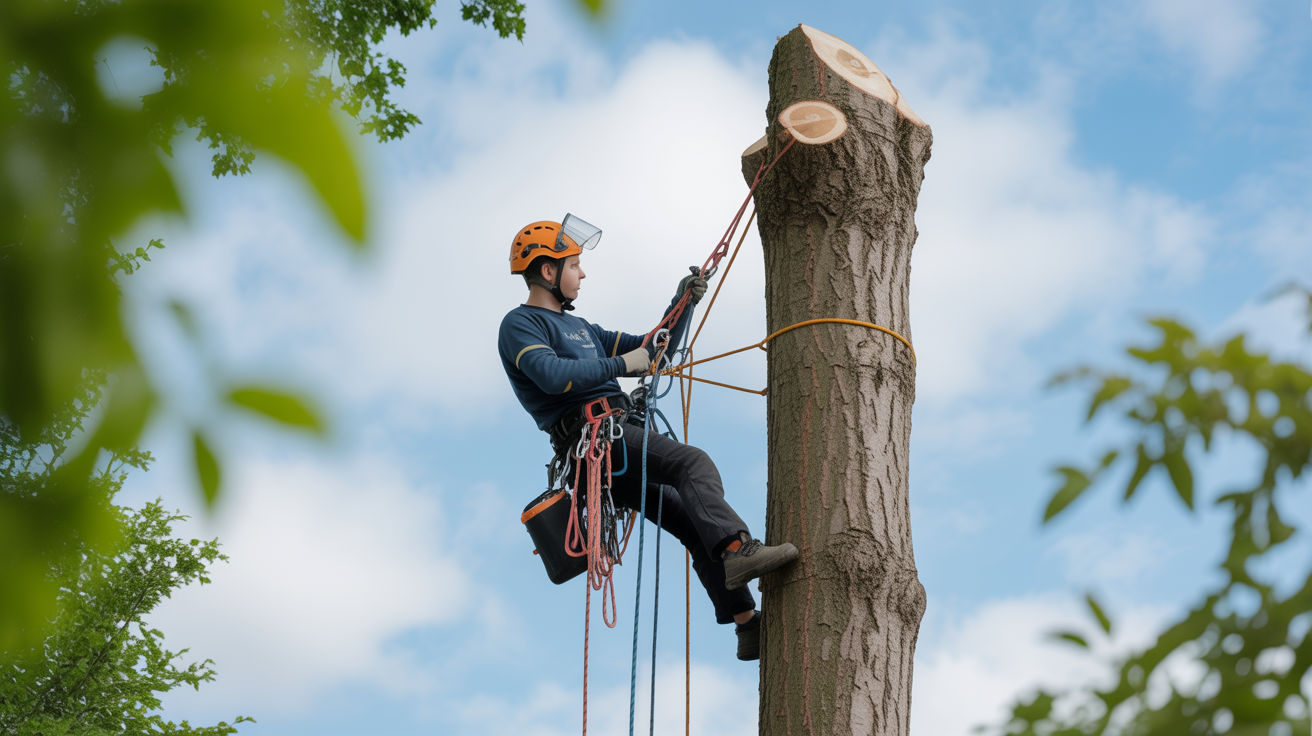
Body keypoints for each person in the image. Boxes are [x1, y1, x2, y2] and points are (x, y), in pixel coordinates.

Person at [497, 216, 799, 661]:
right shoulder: (521, 324)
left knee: (692, 522)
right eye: (575, 265)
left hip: (615, 440)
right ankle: (738, 549)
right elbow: (550, 374)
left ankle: (745, 624)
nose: (583, 274)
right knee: (692, 464)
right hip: (594, 439)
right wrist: (622, 365)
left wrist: (682, 304)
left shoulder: (586, 331)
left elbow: (653, 349)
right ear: (548, 271)